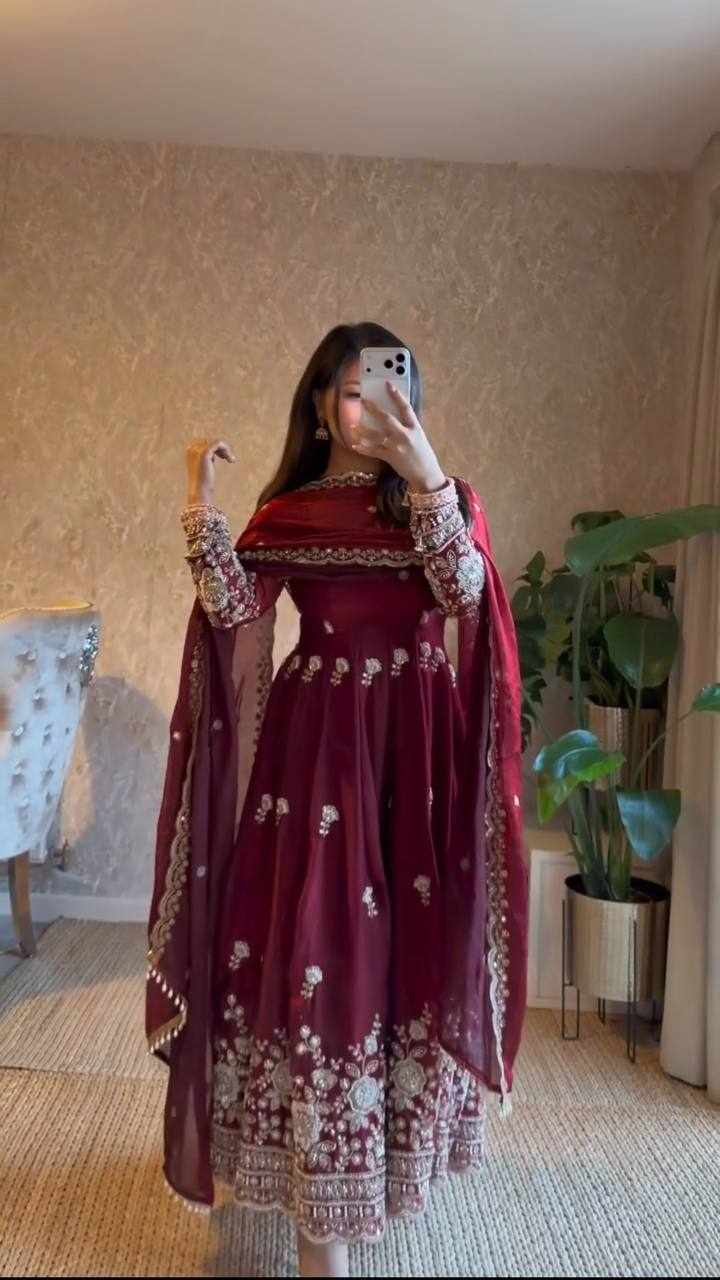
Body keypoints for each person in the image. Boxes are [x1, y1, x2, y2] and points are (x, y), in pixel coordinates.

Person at [145, 321, 528, 1278]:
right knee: (320, 943)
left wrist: (426, 473)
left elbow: (466, 596)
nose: (369, 410)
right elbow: (236, 611)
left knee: (406, 945)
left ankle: (384, 1170)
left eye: (388, 390)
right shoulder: (290, 513)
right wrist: (200, 506)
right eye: (352, 392)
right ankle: (322, 1225)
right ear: (320, 404)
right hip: (317, 754)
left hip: (414, 756)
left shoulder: (444, 501)